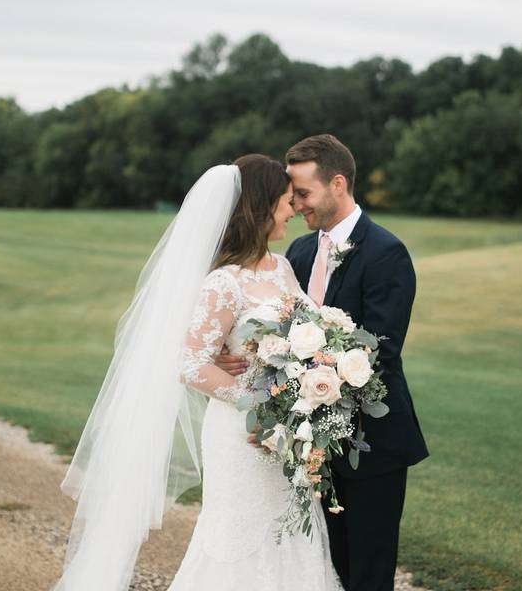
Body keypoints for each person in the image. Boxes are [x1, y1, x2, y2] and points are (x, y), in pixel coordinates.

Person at [52, 154, 342, 591]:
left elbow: (303, 338)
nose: (292, 209)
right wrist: (261, 403)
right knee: (235, 540)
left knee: (291, 537)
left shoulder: (282, 268)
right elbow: (189, 364)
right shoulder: (222, 283)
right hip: (241, 433)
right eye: (285, 201)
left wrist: (309, 384)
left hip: (283, 435)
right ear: (261, 208)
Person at [216, 135, 429, 591]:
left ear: (337, 184)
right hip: (305, 446)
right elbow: (278, 334)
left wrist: (302, 400)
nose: (296, 205)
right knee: (319, 567)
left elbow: (380, 352)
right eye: (291, 197)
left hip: (370, 443)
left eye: (304, 194)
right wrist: (231, 351)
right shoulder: (299, 252)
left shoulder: (385, 253)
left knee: (365, 572)